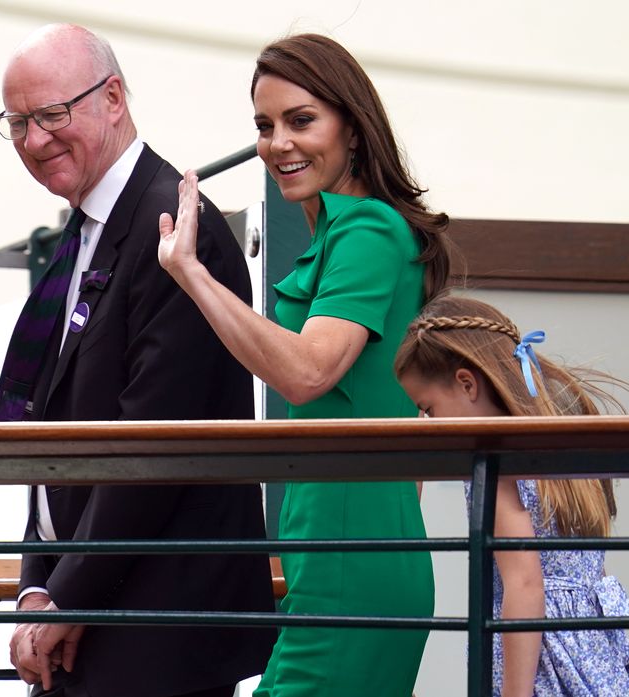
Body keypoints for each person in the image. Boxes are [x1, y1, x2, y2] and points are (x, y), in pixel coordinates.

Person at [157, 34, 452, 697]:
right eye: (265, 125)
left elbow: (307, 373)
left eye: (301, 120)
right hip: (339, 553)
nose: (278, 143)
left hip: (355, 560)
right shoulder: (343, 235)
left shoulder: (368, 232)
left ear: (352, 126)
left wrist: (191, 272)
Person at [0, 24, 275, 697]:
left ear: (113, 97)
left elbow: (153, 444)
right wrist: (37, 587)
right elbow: (48, 434)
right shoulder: (85, 229)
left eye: (53, 115)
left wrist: (67, 598)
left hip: (155, 632)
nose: (35, 141)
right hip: (82, 623)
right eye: (19, 122)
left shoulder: (178, 229)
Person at [393, 294, 629, 697]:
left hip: (542, 664)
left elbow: (525, 584)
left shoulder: (494, 468)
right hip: (593, 656)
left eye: (429, 408)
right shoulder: (554, 433)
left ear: (466, 383)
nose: (427, 421)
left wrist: (514, 694)